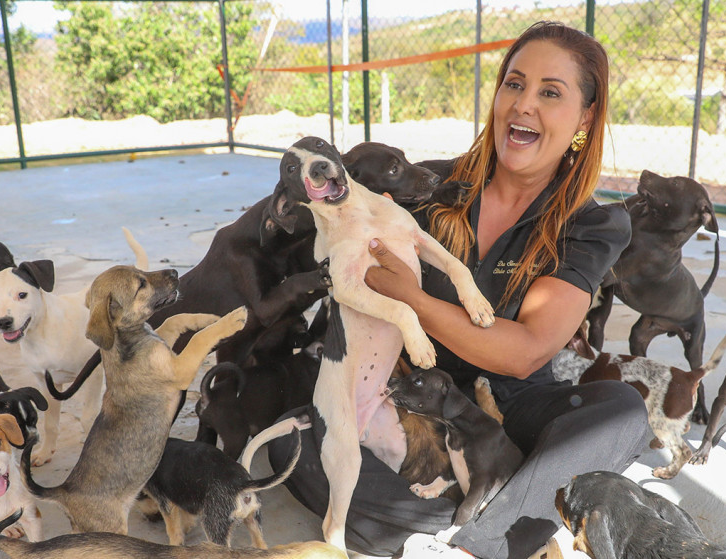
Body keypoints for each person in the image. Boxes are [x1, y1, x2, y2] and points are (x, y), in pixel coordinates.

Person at [269, 21, 649, 559]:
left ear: (585, 116)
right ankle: (508, 514)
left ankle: (469, 535)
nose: (523, 105)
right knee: (293, 437)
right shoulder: (426, 186)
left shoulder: (594, 224)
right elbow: (322, 219)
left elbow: (525, 353)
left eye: (550, 93)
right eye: (513, 84)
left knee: (622, 412)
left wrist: (415, 300)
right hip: (401, 396)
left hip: (506, 408)